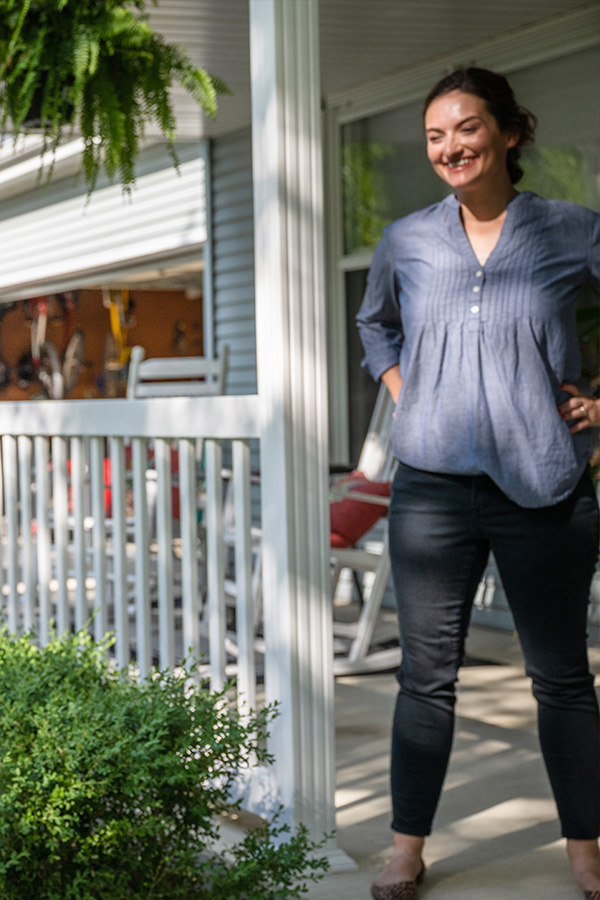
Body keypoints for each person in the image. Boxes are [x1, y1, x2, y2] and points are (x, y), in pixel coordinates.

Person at [355, 67, 600, 900]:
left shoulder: (571, 229)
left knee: (561, 677)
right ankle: (406, 850)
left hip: (546, 482)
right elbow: (375, 323)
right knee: (425, 676)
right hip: (430, 486)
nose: (449, 147)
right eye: (434, 136)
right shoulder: (407, 240)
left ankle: (586, 852)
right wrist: (403, 389)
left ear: (509, 132)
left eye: (465, 128)